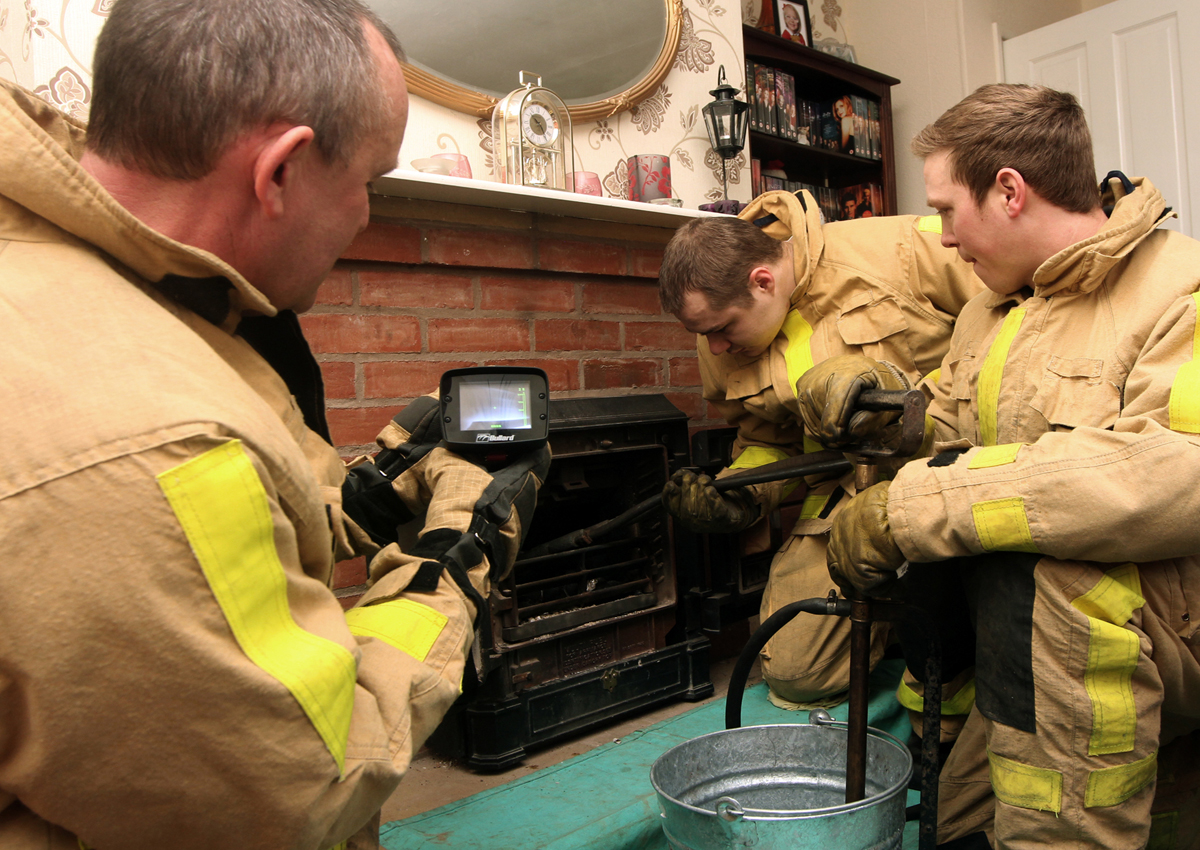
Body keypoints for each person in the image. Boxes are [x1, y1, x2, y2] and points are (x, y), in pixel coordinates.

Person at [0, 1, 547, 849]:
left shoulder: (119, 294)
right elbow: (306, 783)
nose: (366, 213)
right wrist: (453, 561)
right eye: (369, 180)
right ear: (281, 171)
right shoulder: (153, 448)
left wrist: (361, 497)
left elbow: (238, 517)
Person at [800, 83, 1200, 848]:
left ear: (1009, 191)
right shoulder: (992, 307)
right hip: (1014, 633)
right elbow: (957, 427)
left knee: (1047, 580)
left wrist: (914, 509)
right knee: (952, 822)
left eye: (949, 210)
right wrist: (887, 410)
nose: (944, 238)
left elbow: (1181, 473)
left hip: (1162, 626)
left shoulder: (1179, 288)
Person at [657, 189, 983, 709]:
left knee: (969, 640)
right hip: (842, 499)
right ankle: (895, 615)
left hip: (947, 469)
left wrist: (904, 397)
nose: (714, 348)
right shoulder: (720, 337)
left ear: (761, 281)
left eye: (720, 330)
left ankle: (921, 622)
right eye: (704, 335)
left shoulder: (899, 249)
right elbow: (769, 441)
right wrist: (741, 495)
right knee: (796, 673)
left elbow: (1013, 332)